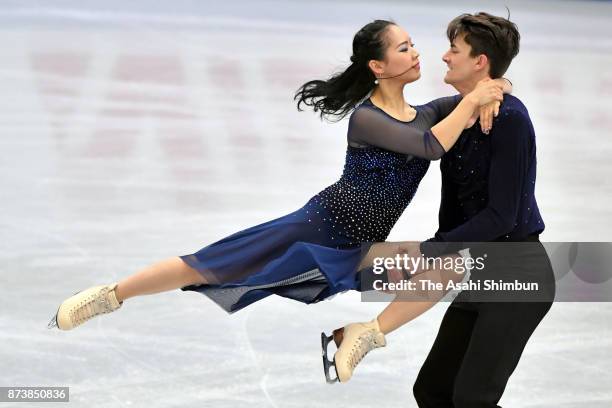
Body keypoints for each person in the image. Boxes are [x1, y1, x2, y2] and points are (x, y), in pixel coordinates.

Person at [47, 19, 509, 332]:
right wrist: (474, 100)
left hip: (363, 243)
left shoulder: (425, 112)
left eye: (413, 46)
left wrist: (495, 87)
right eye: (404, 48)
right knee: (212, 263)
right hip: (320, 225)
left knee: (443, 266)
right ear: (378, 66)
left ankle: (364, 337)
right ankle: (110, 295)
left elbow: (479, 90)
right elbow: (431, 147)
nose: (416, 54)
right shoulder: (367, 119)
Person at [324, 13, 556, 407]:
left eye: (455, 49)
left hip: (518, 275)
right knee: (433, 392)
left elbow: (502, 215)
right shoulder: (457, 113)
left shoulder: (511, 120)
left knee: (472, 399)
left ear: (479, 61)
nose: (444, 57)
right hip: (477, 270)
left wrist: (431, 250)